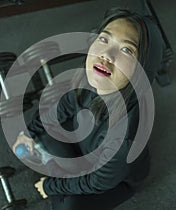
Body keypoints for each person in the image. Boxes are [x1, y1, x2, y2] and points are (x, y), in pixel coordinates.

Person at [13, 7, 163, 210]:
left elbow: (98, 182)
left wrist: (51, 186)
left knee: (67, 205)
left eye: (127, 50)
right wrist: (29, 133)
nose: (106, 55)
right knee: (42, 135)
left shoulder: (125, 140)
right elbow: (61, 108)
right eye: (104, 39)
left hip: (116, 181)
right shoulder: (86, 81)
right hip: (84, 148)